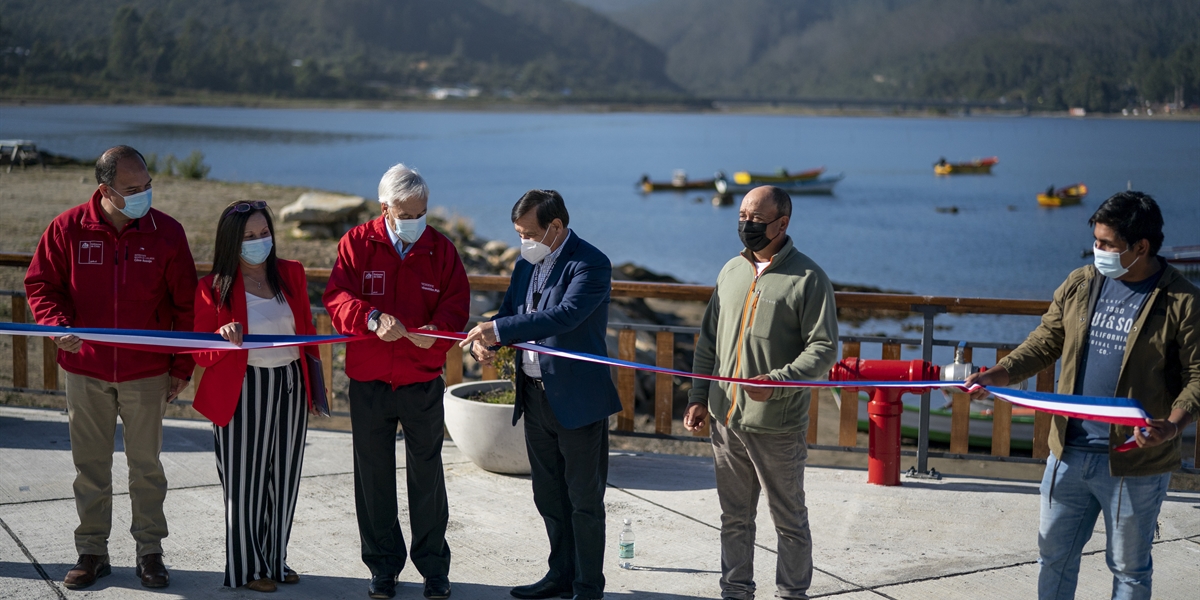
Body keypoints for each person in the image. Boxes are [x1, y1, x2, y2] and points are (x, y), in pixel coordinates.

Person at [965, 191, 1198, 600]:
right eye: (1096, 241)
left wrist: (1171, 427)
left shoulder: (1182, 300)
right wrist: (997, 374)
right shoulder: (1081, 282)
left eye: (1108, 244)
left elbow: (1198, 376)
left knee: (1128, 570)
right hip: (1067, 452)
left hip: (1134, 460)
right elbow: (1044, 341)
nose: (1098, 251)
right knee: (1053, 557)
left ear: (1140, 247)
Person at [24, 145, 196, 589]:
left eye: (148, 186)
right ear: (106, 190)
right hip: (86, 370)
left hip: (147, 373)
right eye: (133, 189)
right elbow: (41, 285)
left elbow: (186, 306)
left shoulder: (168, 234)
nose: (144, 195)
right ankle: (92, 552)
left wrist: (181, 366)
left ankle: (150, 553)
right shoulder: (67, 229)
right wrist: (55, 325)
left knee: (146, 468)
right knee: (90, 467)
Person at [460, 189, 622, 600]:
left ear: (556, 227)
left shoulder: (591, 263)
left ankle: (588, 587)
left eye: (528, 233)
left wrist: (499, 331)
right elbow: (511, 313)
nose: (522, 242)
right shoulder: (524, 263)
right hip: (533, 396)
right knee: (547, 494)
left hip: (578, 399)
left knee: (584, 499)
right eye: (517, 234)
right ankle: (560, 575)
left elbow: (565, 316)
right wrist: (489, 341)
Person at [684, 185, 839, 600]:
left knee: (788, 519)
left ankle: (792, 594)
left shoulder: (809, 278)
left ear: (782, 223)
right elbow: (708, 340)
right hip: (725, 420)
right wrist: (699, 396)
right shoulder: (729, 271)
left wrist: (780, 380)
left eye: (756, 219)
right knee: (734, 518)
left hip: (778, 427)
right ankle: (735, 591)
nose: (746, 225)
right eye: (742, 217)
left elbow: (824, 348)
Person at [323, 163, 469, 600]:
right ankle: (383, 567)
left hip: (420, 381)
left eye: (422, 211)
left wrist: (436, 332)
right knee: (373, 478)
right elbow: (336, 297)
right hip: (368, 381)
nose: (416, 221)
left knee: (427, 478)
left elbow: (456, 307)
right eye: (407, 213)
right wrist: (369, 317)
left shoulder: (441, 249)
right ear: (384, 208)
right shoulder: (356, 243)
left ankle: (434, 569)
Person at [192, 201, 321, 592]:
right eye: (248, 237)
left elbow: (308, 331)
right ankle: (247, 570)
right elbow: (199, 351)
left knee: (283, 480)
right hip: (243, 389)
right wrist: (221, 337)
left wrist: (315, 389)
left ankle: (275, 561)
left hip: (290, 385)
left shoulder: (292, 274)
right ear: (232, 241)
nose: (259, 241)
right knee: (244, 484)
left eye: (264, 233)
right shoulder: (212, 287)